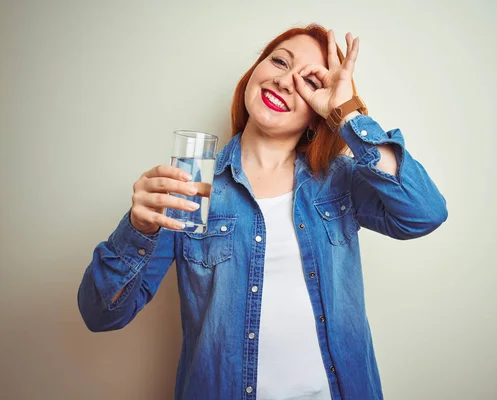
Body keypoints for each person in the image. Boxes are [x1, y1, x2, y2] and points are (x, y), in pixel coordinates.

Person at [77, 23, 448, 400]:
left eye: (310, 81)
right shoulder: (192, 187)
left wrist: (347, 114)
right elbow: (102, 314)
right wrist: (138, 229)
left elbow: (424, 213)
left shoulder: (340, 182)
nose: (286, 81)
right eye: (279, 61)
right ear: (254, 72)